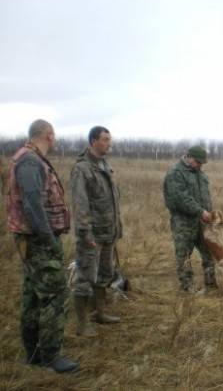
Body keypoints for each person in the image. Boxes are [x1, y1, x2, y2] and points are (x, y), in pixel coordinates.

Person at [5, 119, 79, 373]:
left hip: (35, 240)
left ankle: (34, 353)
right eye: (54, 135)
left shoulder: (30, 158)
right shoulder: (29, 161)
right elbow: (32, 205)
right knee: (55, 294)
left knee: (34, 295)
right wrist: (49, 240)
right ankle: (49, 356)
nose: (55, 139)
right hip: (37, 241)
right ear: (49, 135)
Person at [70, 126, 123, 337]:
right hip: (91, 236)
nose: (109, 143)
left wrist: (116, 229)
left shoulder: (105, 166)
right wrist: (85, 235)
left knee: (104, 275)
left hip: (107, 233)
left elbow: (112, 202)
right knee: (84, 278)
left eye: (110, 139)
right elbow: (80, 205)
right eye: (105, 139)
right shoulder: (82, 169)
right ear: (93, 141)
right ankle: (82, 324)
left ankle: (99, 313)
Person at [163, 145, 215, 292]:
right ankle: (188, 289)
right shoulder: (176, 173)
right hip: (183, 223)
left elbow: (205, 196)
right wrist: (200, 211)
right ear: (189, 157)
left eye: (202, 163)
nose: (200, 165)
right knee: (183, 256)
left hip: (202, 222)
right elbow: (181, 199)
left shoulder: (200, 173)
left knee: (209, 253)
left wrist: (209, 212)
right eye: (198, 162)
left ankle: (211, 285)